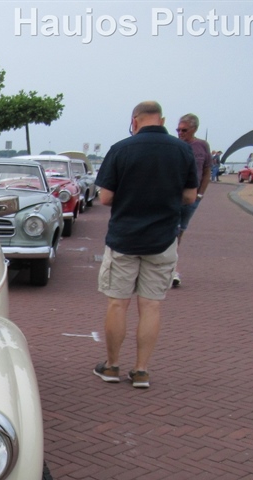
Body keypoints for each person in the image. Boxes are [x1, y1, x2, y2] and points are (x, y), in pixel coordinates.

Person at [93, 101, 198, 389]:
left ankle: (112, 366)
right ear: (161, 120)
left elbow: (105, 197)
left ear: (134, 121)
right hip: (163, 239)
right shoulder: (182, 150)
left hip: (124, 238)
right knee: (151, 306)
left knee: (118, 303)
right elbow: (190, 196)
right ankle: (141, 370)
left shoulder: (121, 149)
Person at [173, 113, 211, 288]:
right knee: (172, 231)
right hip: (174, 196)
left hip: (193, 198)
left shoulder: (202, 146)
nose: (180, 133)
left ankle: (170, 267)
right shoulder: (174, 146)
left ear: (194, 129)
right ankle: (172, 269)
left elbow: (207, 170)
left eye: (184, 130)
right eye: (178, 130)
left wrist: (200, 194)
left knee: (180, 231)